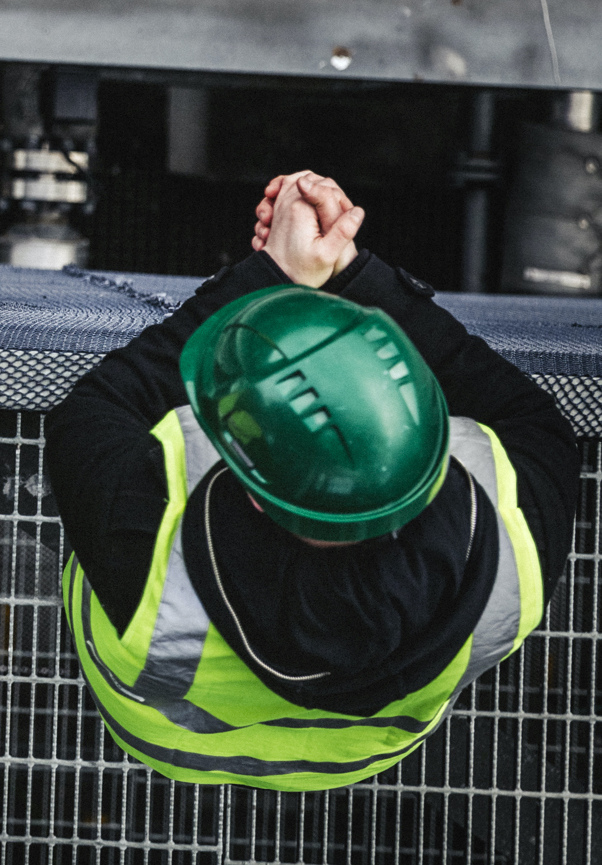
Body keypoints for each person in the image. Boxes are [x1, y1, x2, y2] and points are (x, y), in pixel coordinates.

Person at [47, 170, 579, 791]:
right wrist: (352, 278)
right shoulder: (516, 548)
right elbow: (527, 413)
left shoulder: (145, 544)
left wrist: (279, 273)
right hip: (358, 758)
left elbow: (100, 405)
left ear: (253, 493)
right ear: (427, 425)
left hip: (161, 737)